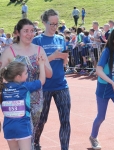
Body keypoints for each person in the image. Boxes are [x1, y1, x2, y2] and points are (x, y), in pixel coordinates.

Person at [0, 18, 52, 149]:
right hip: (17, 103)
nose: (30, 34)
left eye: (32, 31)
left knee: (31, 134)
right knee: (22, 136)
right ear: (18, 32)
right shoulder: (9, 51)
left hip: (36, 101)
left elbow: (49, 74)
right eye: (26, 31)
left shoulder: (39, 49)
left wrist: (42, 64)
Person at [32, 9, 71, 150]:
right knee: (41, 120)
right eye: (52, 24)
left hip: (61, 85)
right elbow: (35, 65)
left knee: (65, 120)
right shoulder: (37, 41)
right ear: (44, 22)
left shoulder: (60, 38)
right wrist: (53, 57)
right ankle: (35, 142)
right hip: (44, 86)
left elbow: (64, 62)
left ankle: (65, 147)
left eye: (56, 24)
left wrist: (65, 58)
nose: (54, 27)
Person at [0, 57, 45, 150]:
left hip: (8, 128)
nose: (27, 75)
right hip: (23, 128)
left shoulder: (3, 88)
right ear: (18, 77)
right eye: (26, 73)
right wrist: (41, 65)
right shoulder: (25, 87)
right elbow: (42, 81)